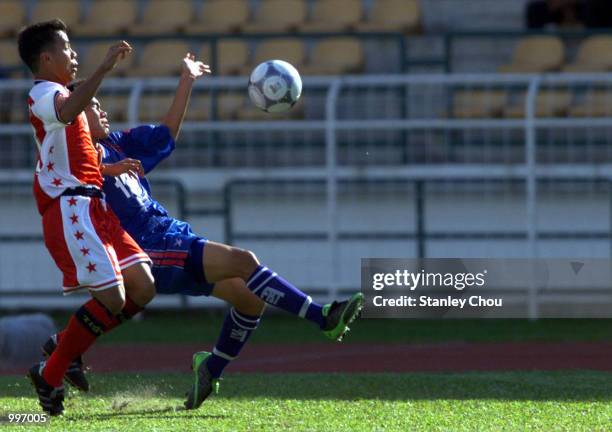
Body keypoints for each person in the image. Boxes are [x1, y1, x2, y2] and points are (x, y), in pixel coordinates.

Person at [50, 53, 365, 410]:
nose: (102, 111)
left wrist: (186, 79)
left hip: (171, 235)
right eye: (93, 106)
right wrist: (108, 167)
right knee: (244, 261)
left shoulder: (119, 143)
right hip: (150, 249)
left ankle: (210, 368)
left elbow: (166, 135)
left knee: (250, 298)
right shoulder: (73, 157)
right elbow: (76, 178)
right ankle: (323, 317)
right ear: (76, 117)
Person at [17, 19, 156, 416]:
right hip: (72, 208)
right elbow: (67, 112)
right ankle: (54, 369)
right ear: (46, 58)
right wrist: (104, 69)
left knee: (143, 287)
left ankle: (60, 349)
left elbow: (76, 154)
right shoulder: (44, 94)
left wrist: (110, 169)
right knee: (112, 298)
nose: (73, 54)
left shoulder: (62, 96)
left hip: (97, 207)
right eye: (66, 48)